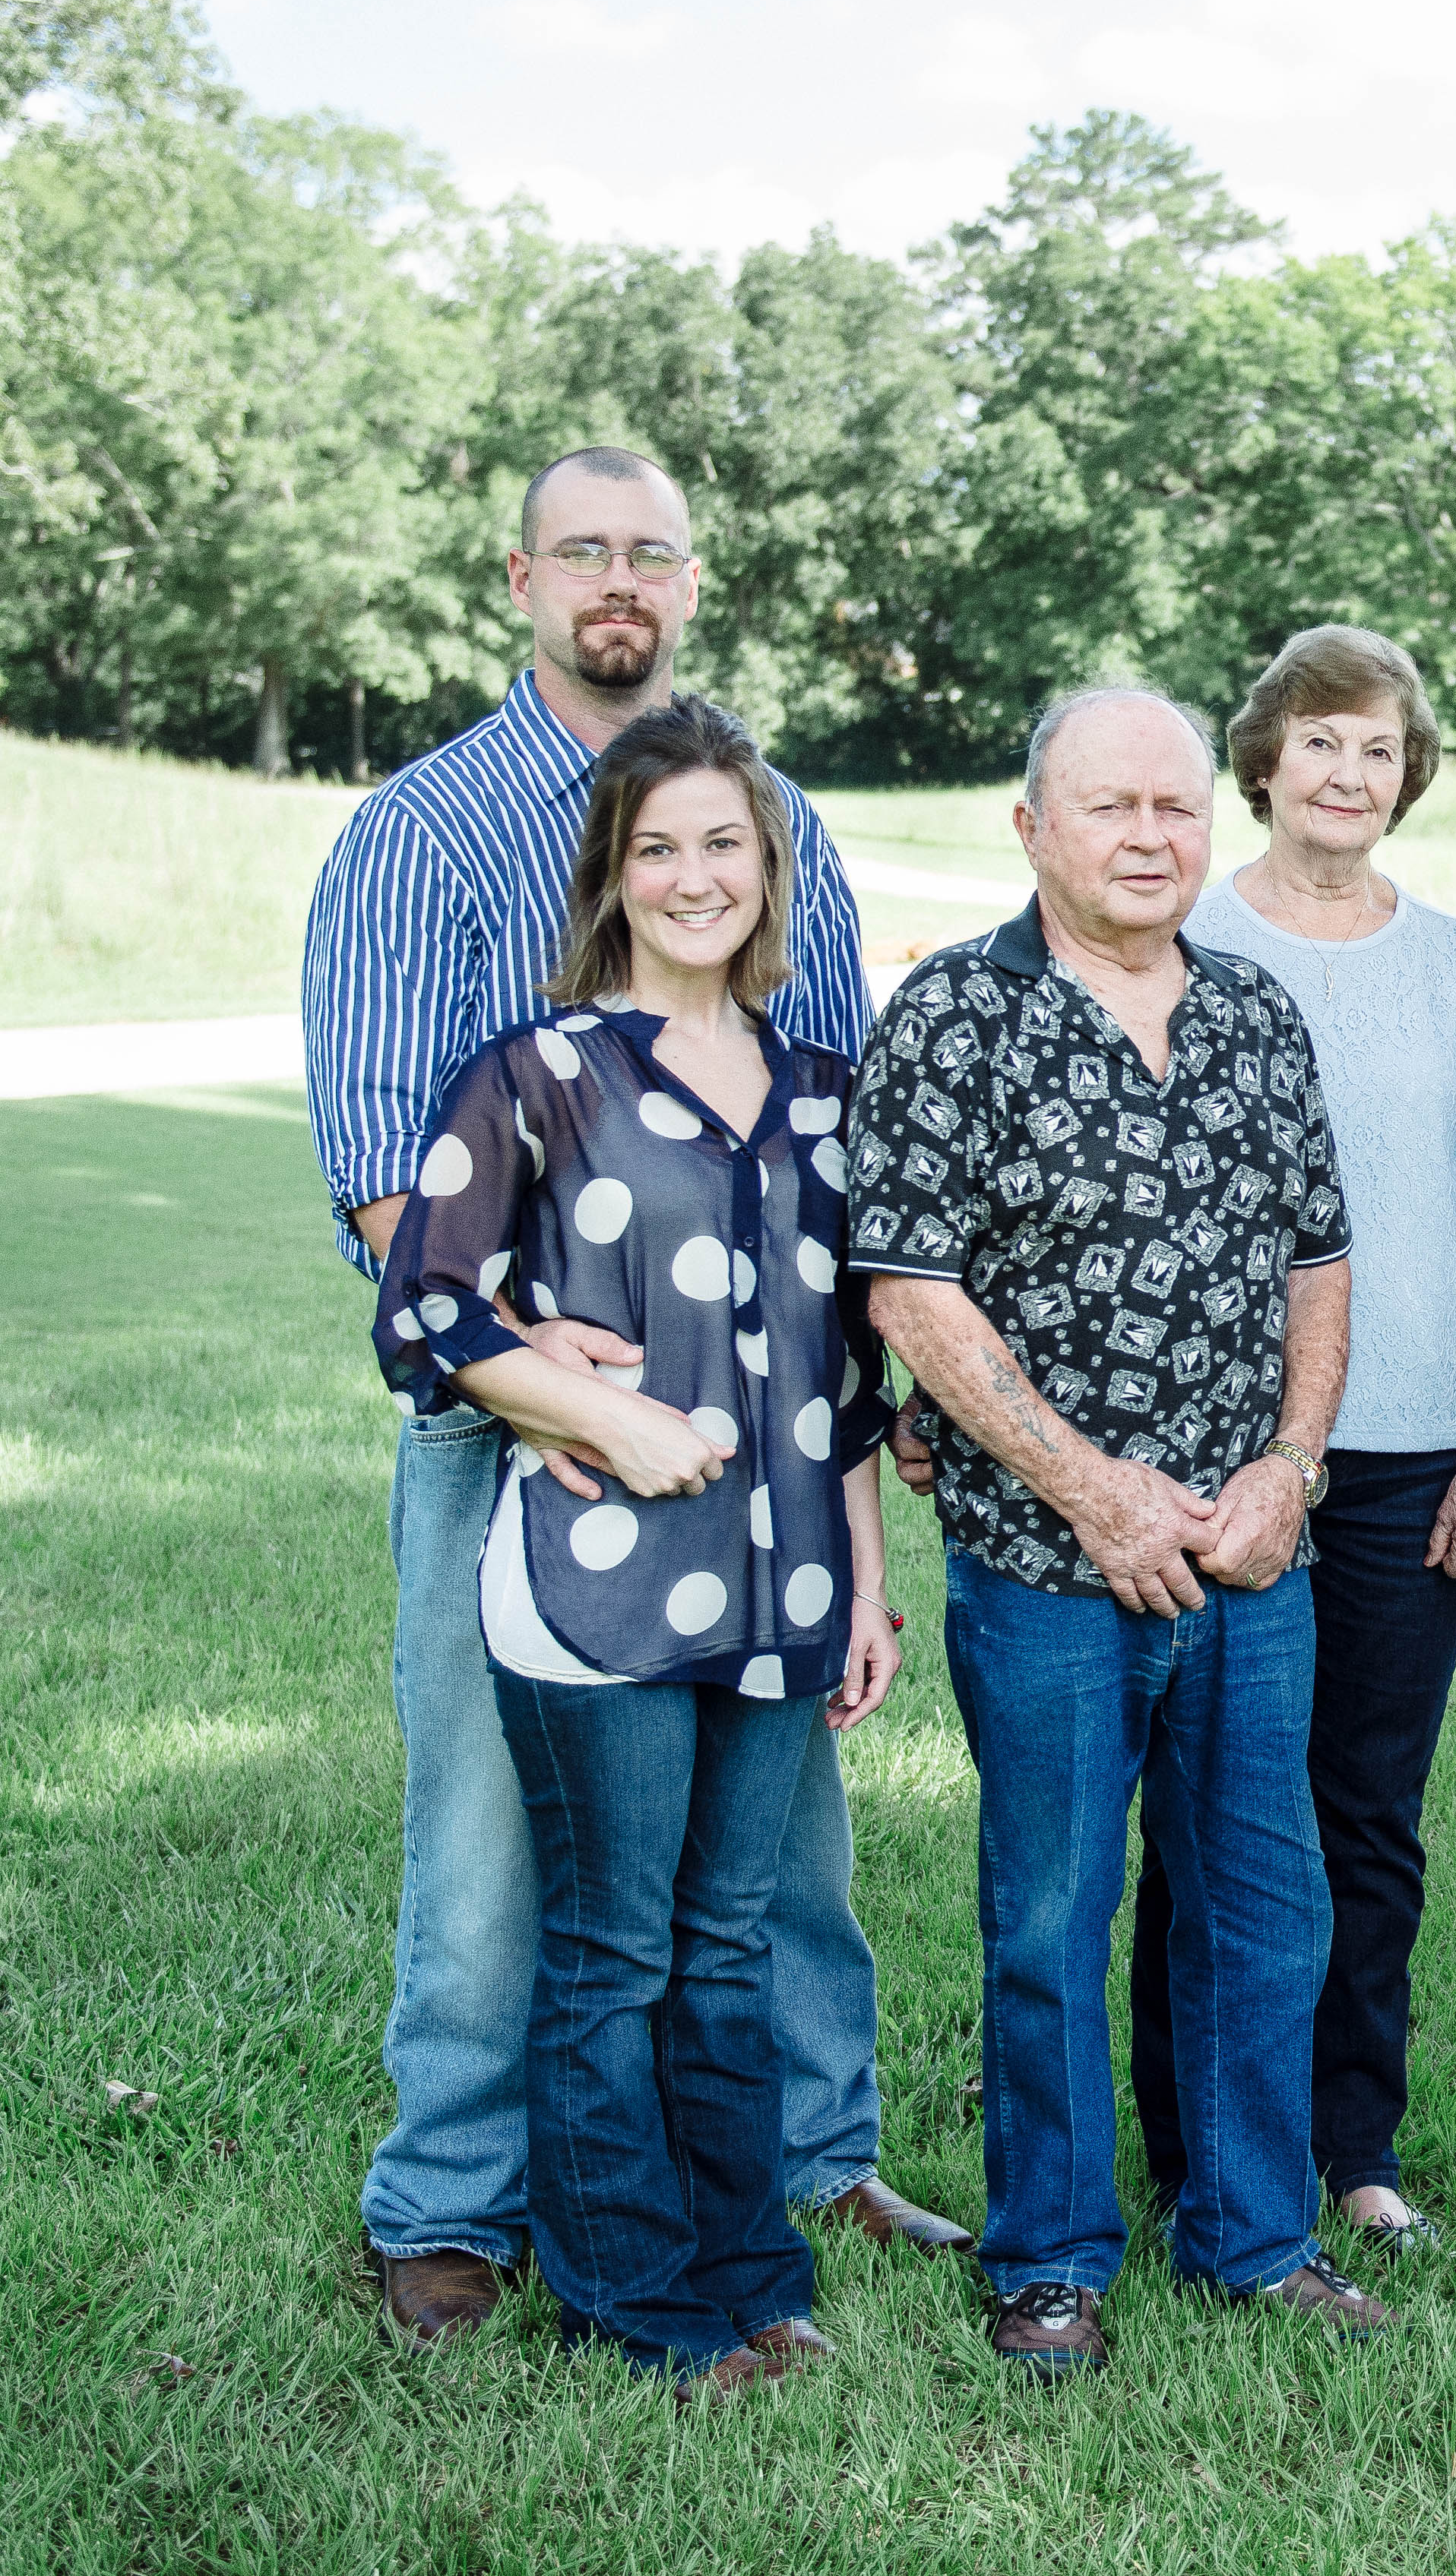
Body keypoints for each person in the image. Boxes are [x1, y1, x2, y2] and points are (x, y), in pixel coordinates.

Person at [300, 447, 962, 2349]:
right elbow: (378, 1167)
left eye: (649, 555)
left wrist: (841, 1477)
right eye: (582, 552)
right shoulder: (419, 836)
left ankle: (805, 2157)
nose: (619, 583)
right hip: (525, 1438)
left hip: (763, 1461)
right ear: (521, 579)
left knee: (776, 1855)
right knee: (510, 1843)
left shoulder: (788, 825)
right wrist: (543, 1378)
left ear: (689, 580)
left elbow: (833, 1125)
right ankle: (455, 2202)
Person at [845, 686, 1384, 2380]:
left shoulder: (1251, 1013)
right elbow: (908, 1287)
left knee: (1259, 1905)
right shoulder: (954, 1015)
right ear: (1031, 829)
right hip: (1044, 1572)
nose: (1151, 836)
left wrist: (1292, 1465)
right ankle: (1053, 2256)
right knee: (1048, 1917)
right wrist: (1094, 1490)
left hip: (1248, 1558)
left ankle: (1251, 2233)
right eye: (1109, 809)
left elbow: (1316, 1257)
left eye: (1174, 807)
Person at [366, 697, 899, 2402]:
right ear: (612, 873)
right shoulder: (536, 1074)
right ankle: (637, 2298)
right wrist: (602, 1417)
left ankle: (756, 2266)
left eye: (722, 846)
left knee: (731, 1943)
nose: (692, 876)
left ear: (770, 869)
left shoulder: (829, 1093)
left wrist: (873, 1585)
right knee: (617, 1950)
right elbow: (426, 1306)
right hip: (594, 1592)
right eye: (656, 847)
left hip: (788, 1587)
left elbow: (853, 1375)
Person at [1125, 626, 1456, 2253]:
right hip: (1223, 1448)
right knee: (1214, 1809)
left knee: (1367, 1811)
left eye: (1375, 747)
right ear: (1263, 760)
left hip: (1410, 1449)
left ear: (1407, 769)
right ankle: (1193, 2145)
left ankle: (1348, 2145)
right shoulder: (1186, 929)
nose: (1346, 773)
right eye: (1317, 742)